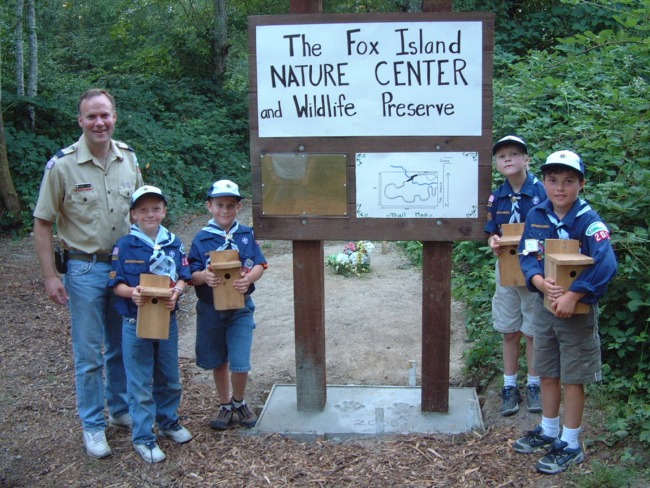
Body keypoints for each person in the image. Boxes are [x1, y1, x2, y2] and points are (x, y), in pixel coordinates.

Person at [33, 88, 143, 459]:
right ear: (80, 121)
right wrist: (51, 275)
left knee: (121, 347)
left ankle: (121, 410)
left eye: (105, 115)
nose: (99, 122)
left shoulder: (128, 158)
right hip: (84, 269)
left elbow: (142, 214)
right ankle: (93, 425)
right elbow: (42, 222)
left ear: (115, 117)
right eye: (91, 116)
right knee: (89, 355)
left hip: (124, 269)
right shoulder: (62, 166)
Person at [512, 150, 617, 474]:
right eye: (553, 180)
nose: (560, 188)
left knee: (573, 376)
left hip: (576, 313)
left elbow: (606, 263)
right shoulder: (537, 214)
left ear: (581, 184)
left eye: (569, 181)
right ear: (543, 182)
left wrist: (575, 294)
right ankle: (549, 429)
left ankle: (571, 443)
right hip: (545, 307)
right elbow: (527, 253)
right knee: (547, 370)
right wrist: (539, 280)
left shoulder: (588, 221)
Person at [109, 186, 193, 463]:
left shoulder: (174, 242)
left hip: (166, 320)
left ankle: (168, 422)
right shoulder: (124, 245)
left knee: (169, 376)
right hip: (135, 321)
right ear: (133, 214)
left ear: (164, 211)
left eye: (156, 208)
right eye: (143, 210)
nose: (150, 214)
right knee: (140, 381)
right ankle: (144, 437)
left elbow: (183, 274)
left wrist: (177, 292)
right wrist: (131, 293)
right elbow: (116, 283)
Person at [189, 180, 267, 430]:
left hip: (240, 307)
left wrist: (249, 279)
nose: (225, 210)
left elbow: (259, 264)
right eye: (219, 205)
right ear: (209, 206)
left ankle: (239, 401)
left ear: (239, 207)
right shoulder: (202, 239)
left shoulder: (245, 235)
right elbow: (190, 271)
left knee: (240, 360)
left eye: (230, 205)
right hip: (211, 308)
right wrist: (204, 276)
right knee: (218, 360)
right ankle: (224, 405)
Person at [485, 135, 547, 416]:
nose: (508, 159)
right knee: (509, 329)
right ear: (497, 163)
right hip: (507, 269)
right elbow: (492, 230)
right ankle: (510, 385)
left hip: (536, 270)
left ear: (526, 159)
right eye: (501, 156)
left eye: (514, 153)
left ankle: (534, 383)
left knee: (533, 329)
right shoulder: (497, 195)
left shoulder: (542, 192)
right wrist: (493, 241)